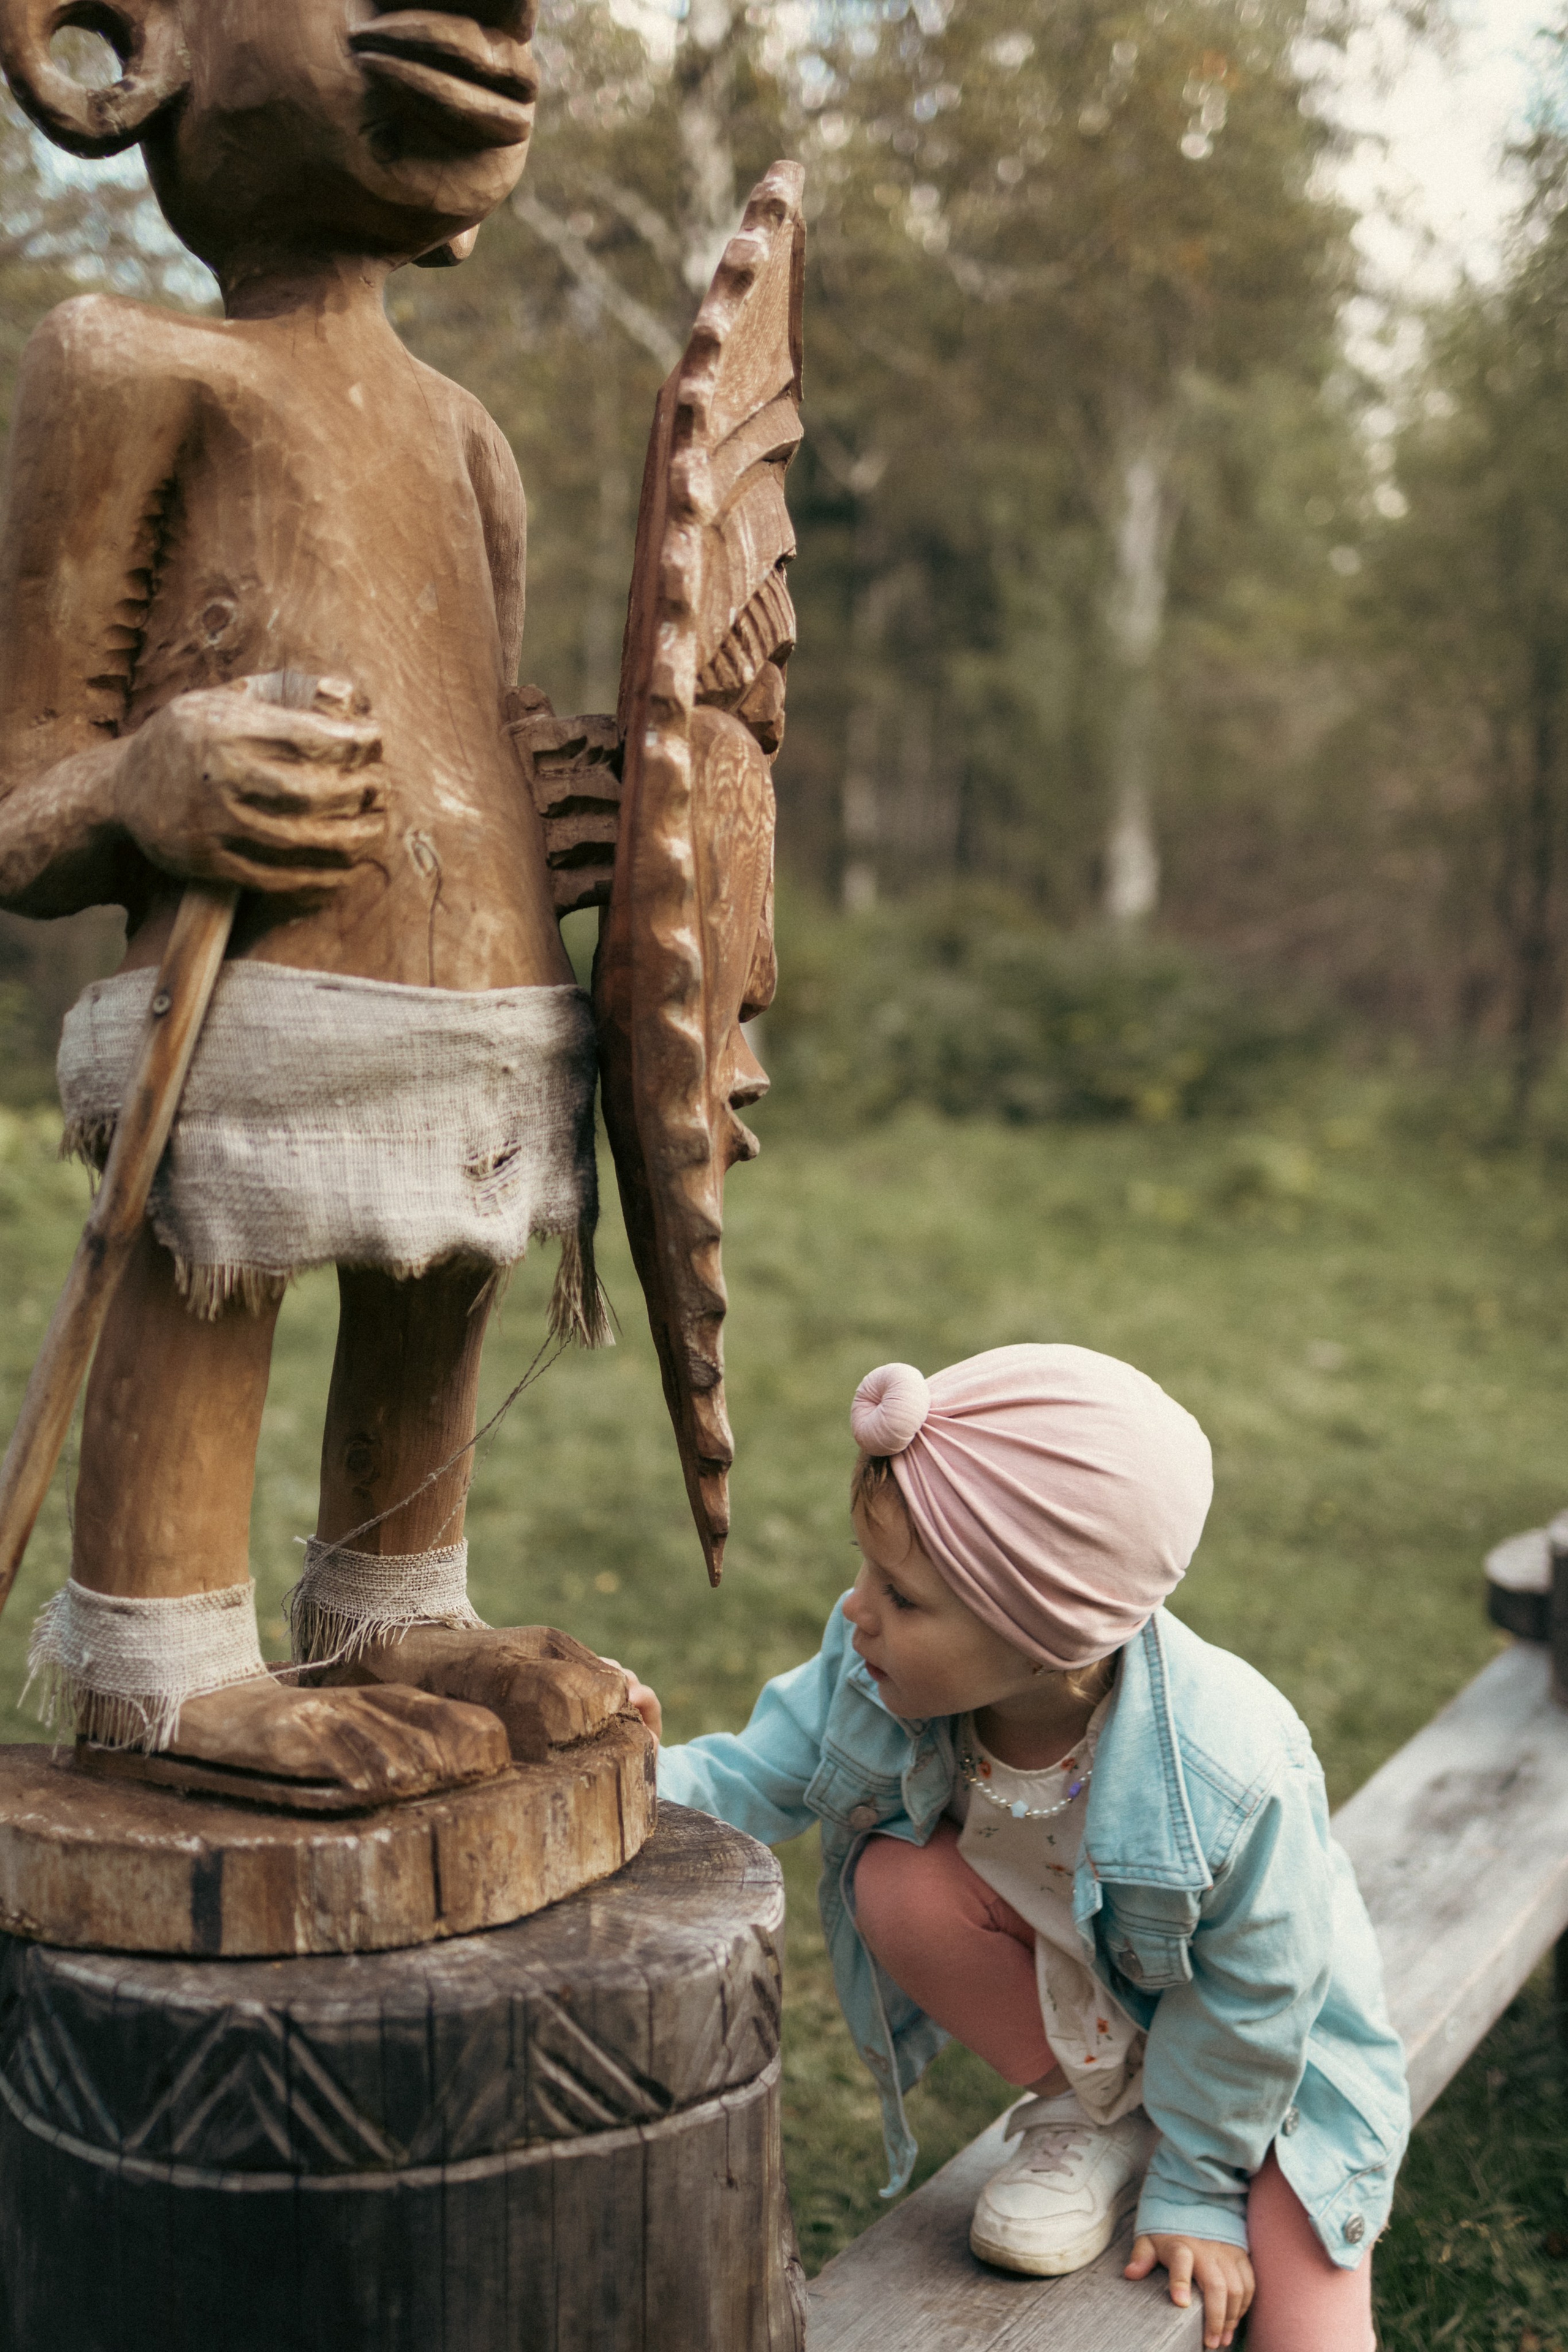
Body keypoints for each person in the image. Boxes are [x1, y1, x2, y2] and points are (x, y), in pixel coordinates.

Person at [619, 1344, 1409, 2352]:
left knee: (1302, 2328)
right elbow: (750, 1777)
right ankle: (1099, 2112)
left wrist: (1203, 2191)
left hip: (1282, 2061)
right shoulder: (874, 1671)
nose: (858, 1609)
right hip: (1111, 2004)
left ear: (1046, 1638)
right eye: (867, 1571)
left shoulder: (1230, 1775)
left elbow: (1259, 1997)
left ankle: (1181, 2142)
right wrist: (615, 1779)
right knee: (894, 1879)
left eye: (902, 1597)